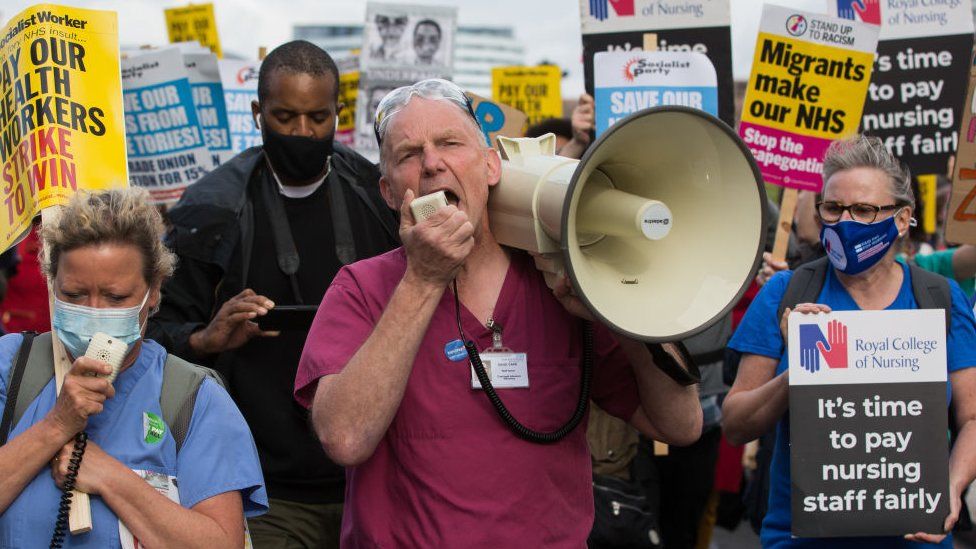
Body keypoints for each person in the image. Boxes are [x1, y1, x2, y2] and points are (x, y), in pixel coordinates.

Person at [293, 78, 702, 546]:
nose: (432, 164)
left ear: (490, 166)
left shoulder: (557, 281)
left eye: (450, 143)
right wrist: (423, 280)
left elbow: (681, 424)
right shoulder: (361, 289)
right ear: (389, 192)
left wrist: (616, 300)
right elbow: (344, 439)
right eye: (409, 154)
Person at [148, 40, 397, 548]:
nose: (302, 133)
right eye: (284, 117)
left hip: (378, 478)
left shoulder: (379, 196)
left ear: (338, 113)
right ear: (258, 112)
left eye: (317, 117)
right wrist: (206, 338)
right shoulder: (212, 211)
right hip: (266, 490)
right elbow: (151, 336)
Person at [722, 135, 976, 548]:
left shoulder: (940, 298)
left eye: (863, 210)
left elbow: (972, 418)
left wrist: (951, 485)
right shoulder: (787, 292)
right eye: (833, 209)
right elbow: (735, 425)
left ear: (901, 218)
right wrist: (801, 372)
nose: (844, 222)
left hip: (918, 538)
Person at [0, 188, 266, 547]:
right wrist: (57, 425)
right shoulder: (12, 366)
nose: (95, 311)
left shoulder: (192, 398)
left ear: (153, 290)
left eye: (115, 297)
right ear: (52, 283)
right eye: (75, 295)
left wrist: (110, 478)